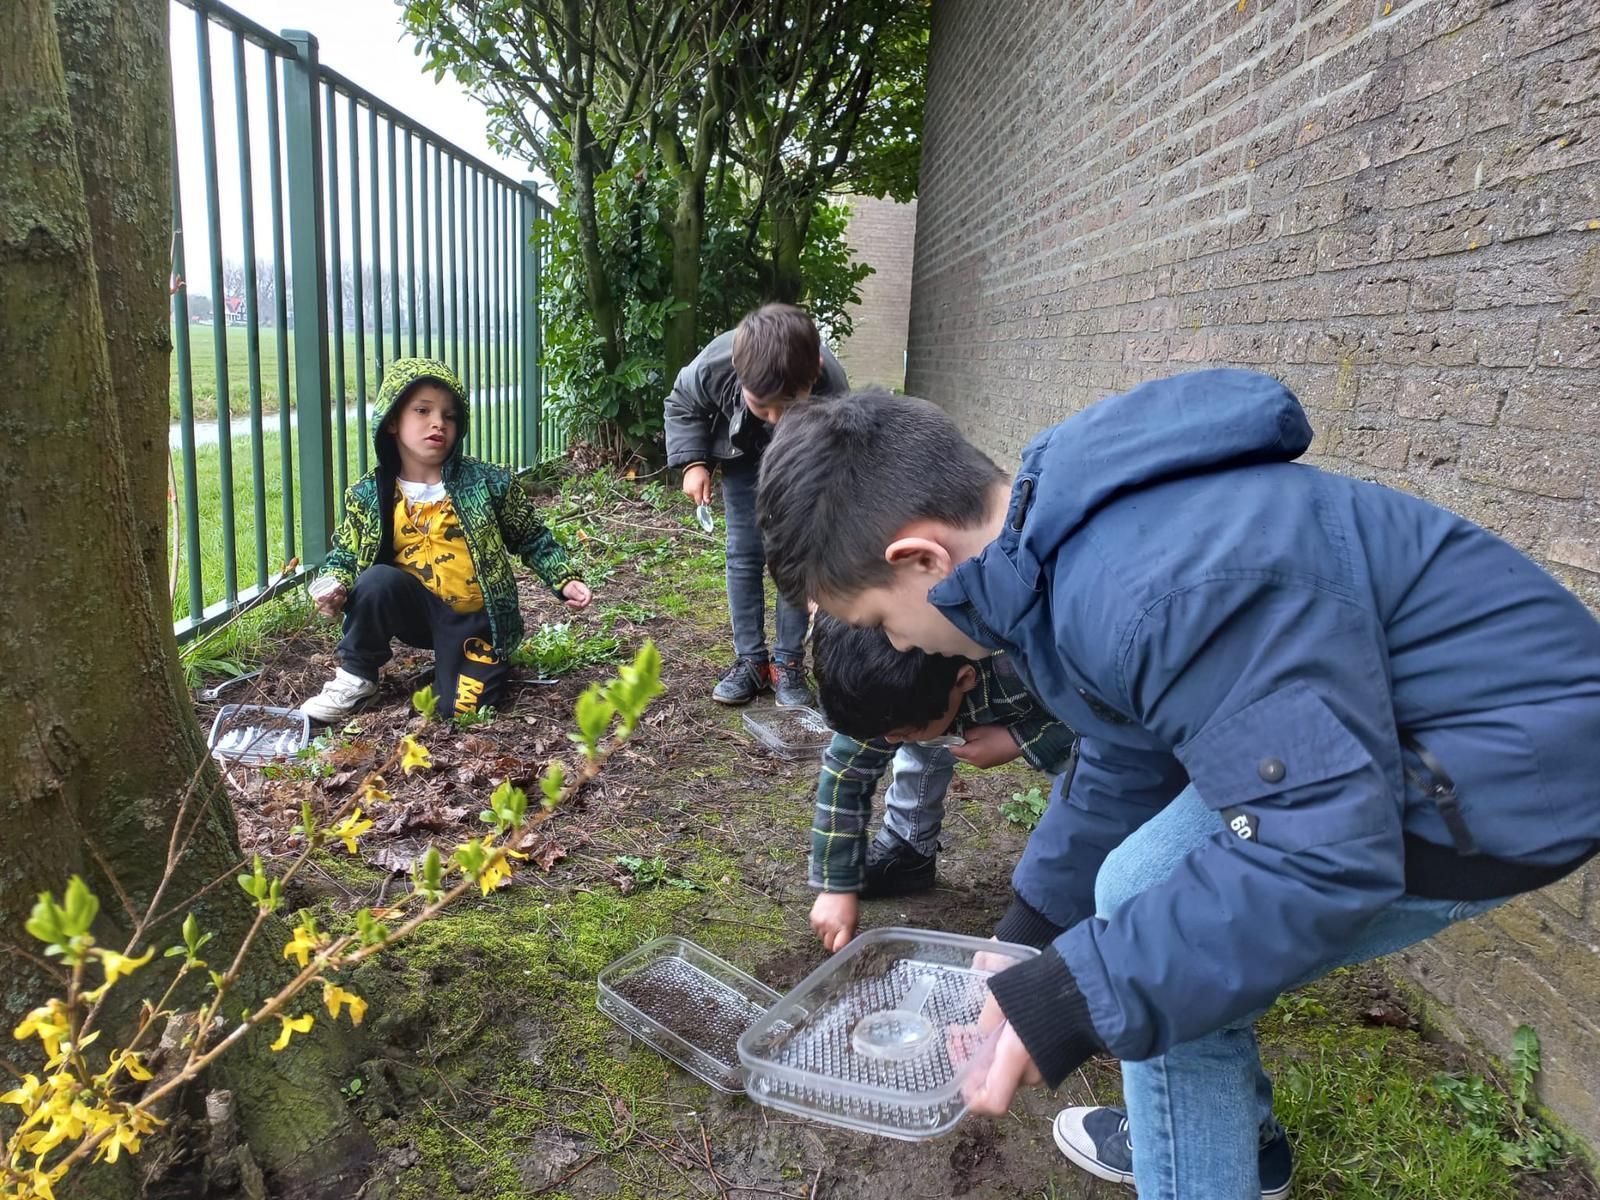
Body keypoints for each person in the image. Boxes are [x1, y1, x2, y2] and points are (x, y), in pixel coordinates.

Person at [755, 371, 1600, 1200]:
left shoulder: (1148, 589)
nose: (902, 649)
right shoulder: (1054, 554)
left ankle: (1197, 1161)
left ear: (919, 558)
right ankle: (1223, 1136)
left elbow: (1321, 853)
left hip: (1506, 769)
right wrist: (1029, 936)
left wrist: (1078, 989)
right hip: (1388, 740)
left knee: (1151, 938)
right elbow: (1128, 754)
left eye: (879, 624)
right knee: (1141, 911)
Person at [302, 358, 591, 723]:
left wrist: (564, 578)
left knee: (458, 711)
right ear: (392, 420)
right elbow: (345, 553)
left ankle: (459, 666)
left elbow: (531, 535)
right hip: (414, 612)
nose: (438, 422)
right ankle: (357, 676)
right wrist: (333, 585)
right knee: (376, 581)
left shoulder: (489, 483)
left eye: (450, 415)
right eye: (422, 410)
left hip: (474, 620)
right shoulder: (369, 494)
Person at [807, 614, 1077, 951]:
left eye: (899, 732)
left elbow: (1099, 717)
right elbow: (846, 773)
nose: (888, 741)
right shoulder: (883, 694)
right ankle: (908, 850)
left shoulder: (1030, 656)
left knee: (1080, 781)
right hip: (938, 708)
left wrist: (1018, 740)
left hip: (1061, 717)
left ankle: (1076, 889)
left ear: (963, 680)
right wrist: (836, 885)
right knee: (920, 741)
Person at [664, 303, 848, 706]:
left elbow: (839, 454)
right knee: (744, 554)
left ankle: (788, 663)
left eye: (789, 404)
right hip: (742, 456)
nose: (776, 418)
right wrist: (694, 463)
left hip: (804, 464)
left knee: (795, 558)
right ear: (738, 373)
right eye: (762, 405)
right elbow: (682, 403)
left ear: (813, 372)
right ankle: (751, 662)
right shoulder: (715, 364)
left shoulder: (831, 383)